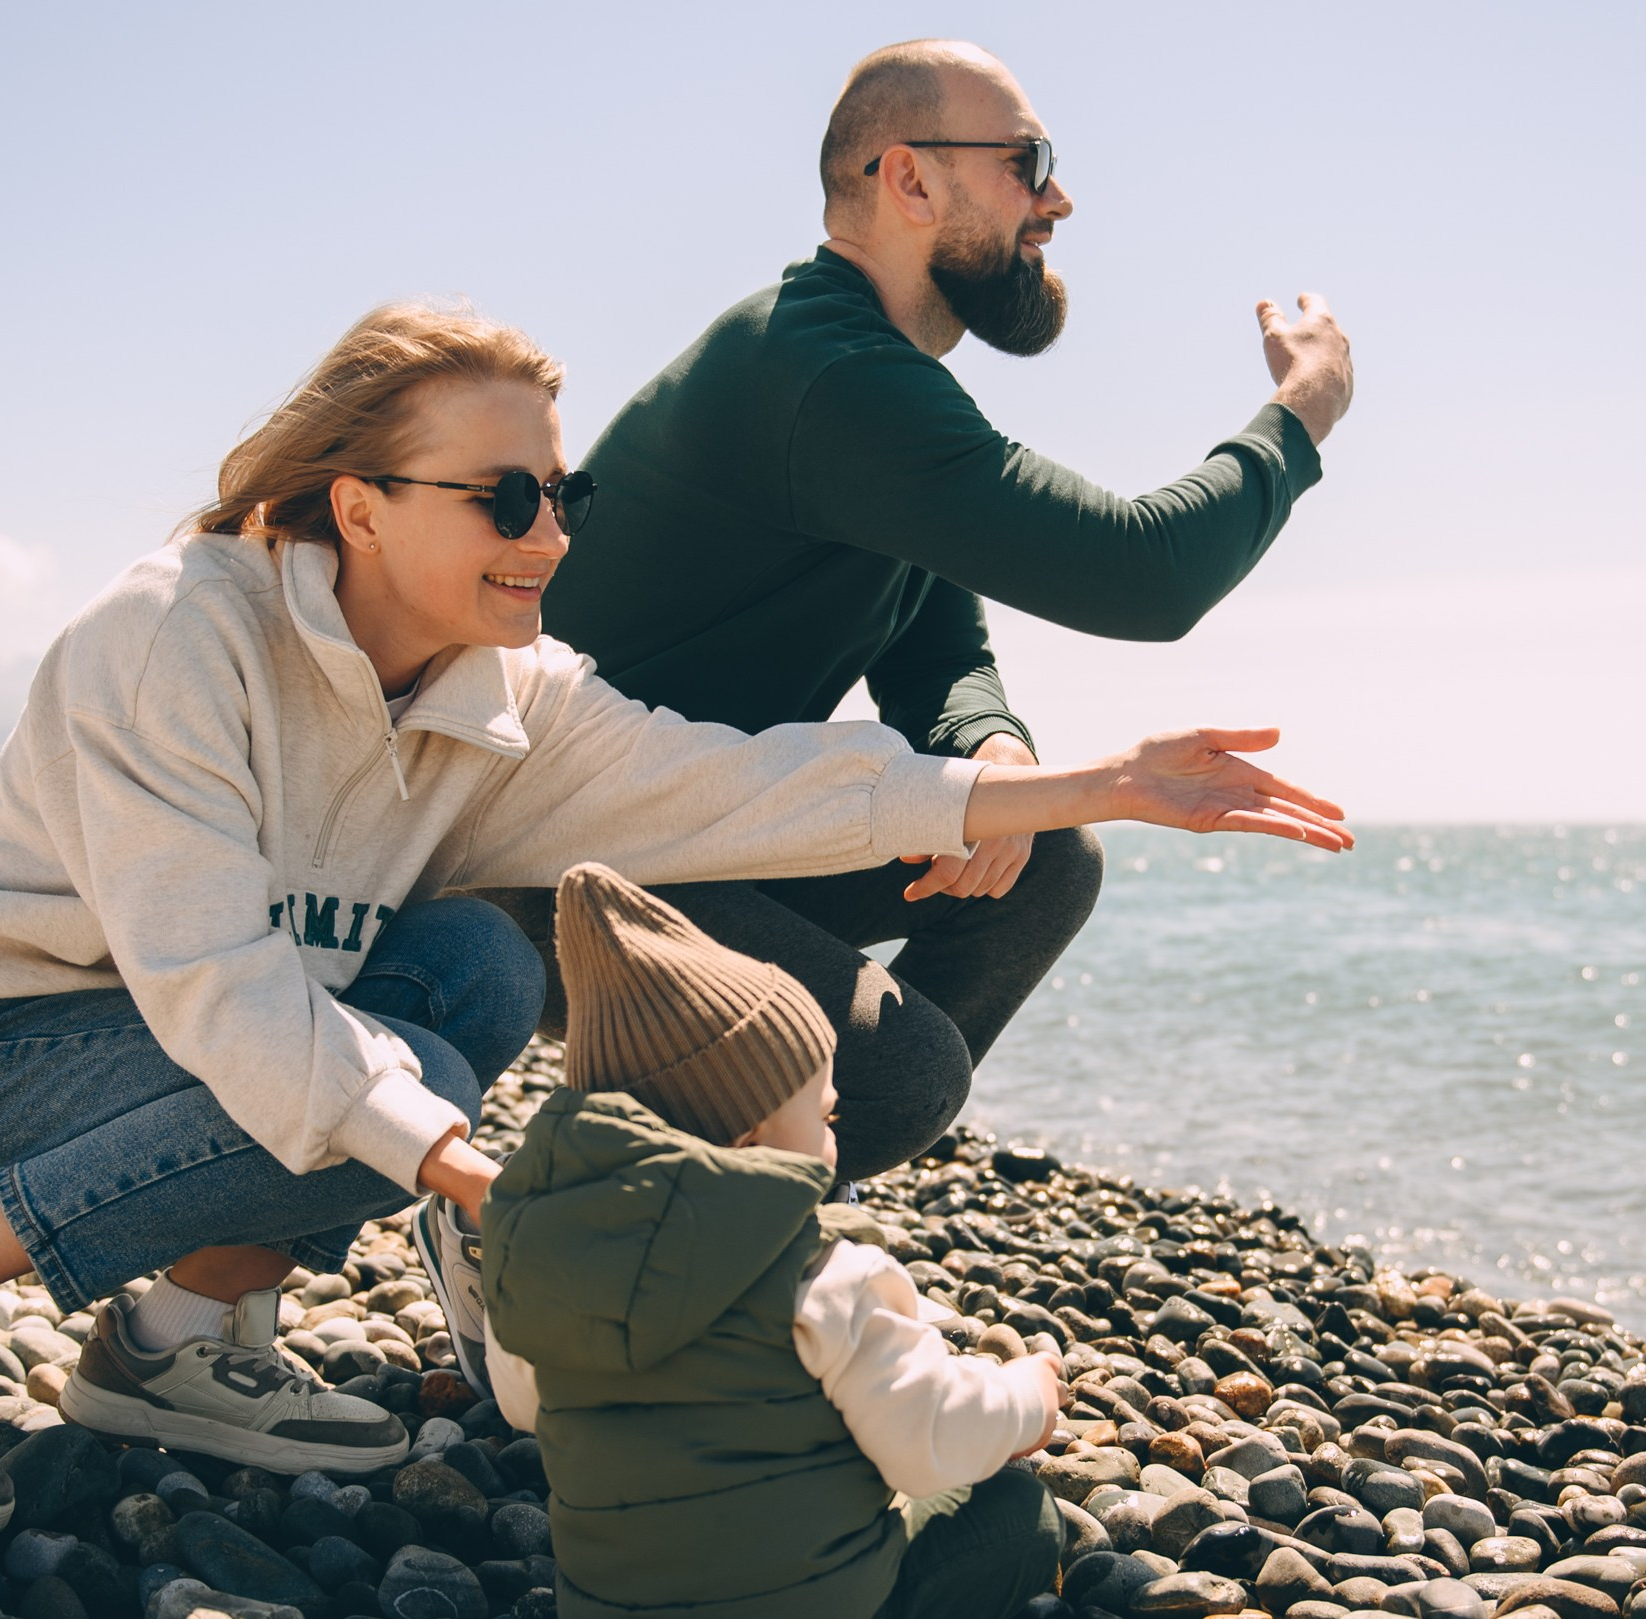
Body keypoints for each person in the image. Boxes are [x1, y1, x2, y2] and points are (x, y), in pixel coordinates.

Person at [0, 302, 1349, 1537]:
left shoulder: (508, 693)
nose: (547, 534)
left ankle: (175, 1335)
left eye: (562, 496)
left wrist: (1096, 784)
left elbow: (742, 788)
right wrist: (463, 1170)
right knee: (367, 1082)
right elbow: (219, 989)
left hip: (153, 1078)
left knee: (477, 958)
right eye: (502, 498)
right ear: (358, 505)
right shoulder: (175, 634)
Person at [531, 37, 1356, 1184]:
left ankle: (689, 1215)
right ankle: (571, 1230)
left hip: (704, 831)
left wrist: (990, 746)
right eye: (1027, 163)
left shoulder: (871, 380)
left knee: (1042, 858)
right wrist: (1303, 409)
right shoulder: (824, 376)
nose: (1057, 200)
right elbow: (1144, 572)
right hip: (557, 858)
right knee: (896, 1071)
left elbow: (937, 647)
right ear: (909, 179)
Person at [479, 864, 1065, 1619]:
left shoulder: (536, 1256)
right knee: (1019, 1514)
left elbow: (524, 1405)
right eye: (824, 1118)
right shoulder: (829, 1275)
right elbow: (929, 1437)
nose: (835, 1141)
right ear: (754, 1134)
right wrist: (1027, 1397)